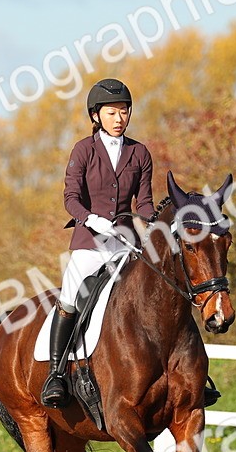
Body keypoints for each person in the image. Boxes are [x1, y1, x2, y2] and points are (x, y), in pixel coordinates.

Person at [41, 78, 155, 408]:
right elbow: (71, 197)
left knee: (159, 290)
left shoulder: (140, 152)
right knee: (70, 297)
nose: (120, 118)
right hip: (90, 241)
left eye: (124, 111)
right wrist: (91, 219)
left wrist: (155, 222)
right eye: (112, 112)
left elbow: (144, 202)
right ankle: (56, 374)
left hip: (124, 242)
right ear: (96, 116)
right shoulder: (84, 150)